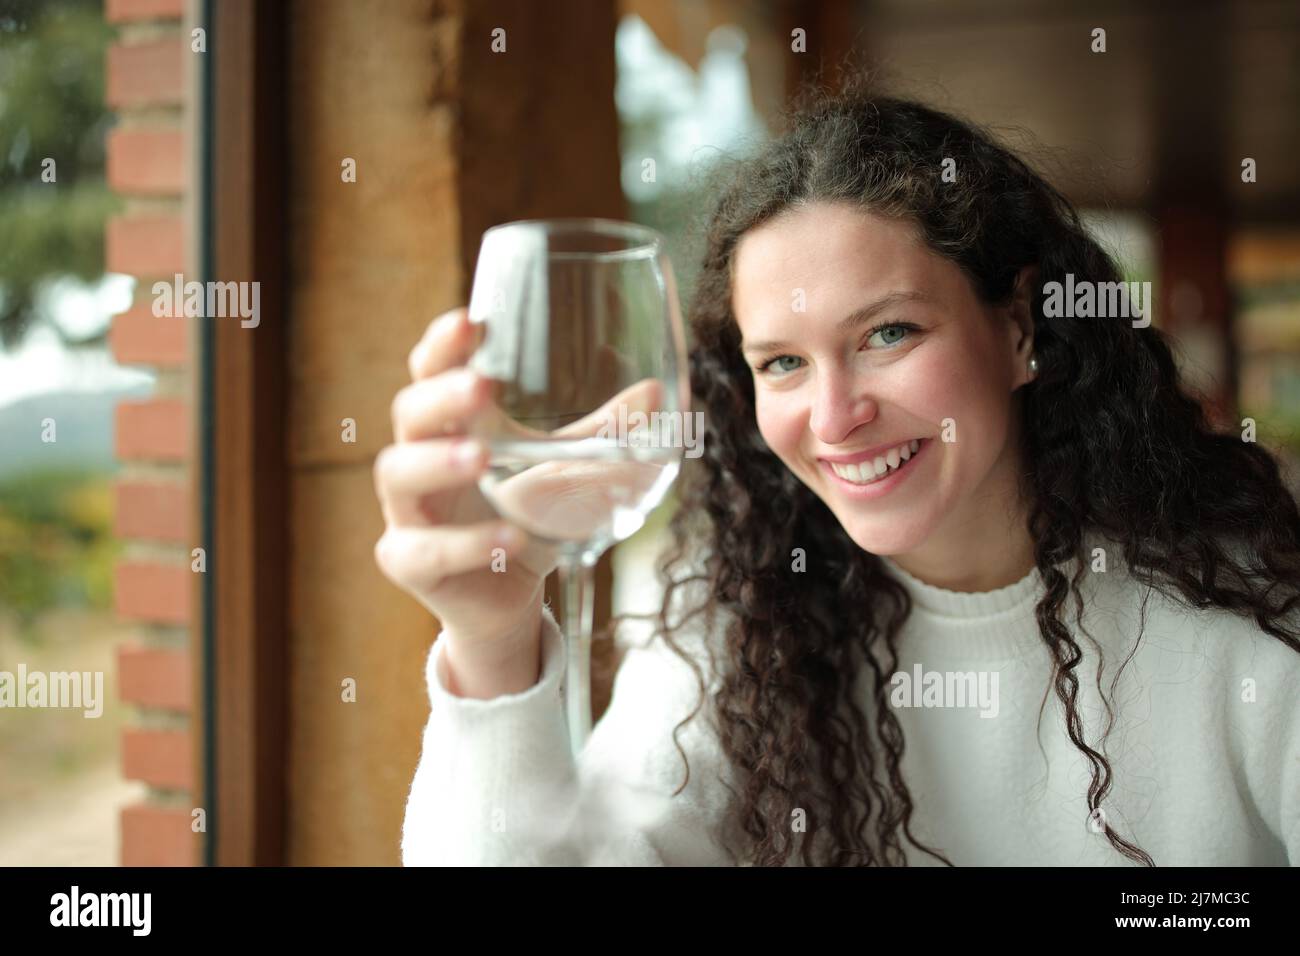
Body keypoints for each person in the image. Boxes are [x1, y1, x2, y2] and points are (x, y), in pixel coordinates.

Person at [374, 82, 1300, 866]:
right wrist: (491, 641)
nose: (833, 417)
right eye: (781, 362)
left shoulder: (1245, 609)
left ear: (1019, 329)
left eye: (887, 333)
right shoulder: (742, 622)